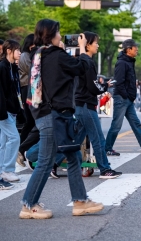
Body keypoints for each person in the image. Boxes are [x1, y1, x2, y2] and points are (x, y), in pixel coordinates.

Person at [20, 19, 103, 219]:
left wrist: (65, 51)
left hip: (48, 112)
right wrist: (82, 49)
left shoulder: (40, 54)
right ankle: (28, 205)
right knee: (46, 161)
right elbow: (81, 67)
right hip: (53, 114)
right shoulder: (56, 56)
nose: (61, 35)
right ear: (51, 35)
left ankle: (80, 201)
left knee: (73, 156)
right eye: (58, 32)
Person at [51, 32, 122, 180]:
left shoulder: (79, 61)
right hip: (86, 105)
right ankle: (105, 169)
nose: (98, 45)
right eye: (95, 42)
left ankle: (53, 164)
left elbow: (88, 83)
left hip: (80, 104)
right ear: (87, 45)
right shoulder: (87, 62)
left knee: (76, 139)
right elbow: (92, 87)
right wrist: (104, 88)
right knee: (98, 138)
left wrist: (102, 85)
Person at [104, 39, 141, 157]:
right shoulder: (122, 63)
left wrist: (130, 97)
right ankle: (107, 148)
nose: (137, 50)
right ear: (128, 50)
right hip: (122, 98)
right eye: (135, 48)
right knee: (116, 125)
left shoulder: (128, 61)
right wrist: (127, 95)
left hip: (127, 100)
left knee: (136, 123)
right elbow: (119, 82)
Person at [0, 40, 23, 184]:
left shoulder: (13, 68)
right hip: (4, 111)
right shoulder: (2, 67)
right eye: (17, 50)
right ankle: (7, 170)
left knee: (4, 142)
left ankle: (3, 170)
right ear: (9, 51)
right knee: (14, 138)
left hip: (12, 110)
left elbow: (16, 91)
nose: (20, 53)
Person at [17, 34, 35, 167]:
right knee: (30, 121)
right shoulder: (24, 56)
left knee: (30, 121)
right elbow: (33, 72)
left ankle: (21, 149)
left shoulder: (27, 55)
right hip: (26, 89)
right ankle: (21, 149)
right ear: (31, 44)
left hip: (29, 88)